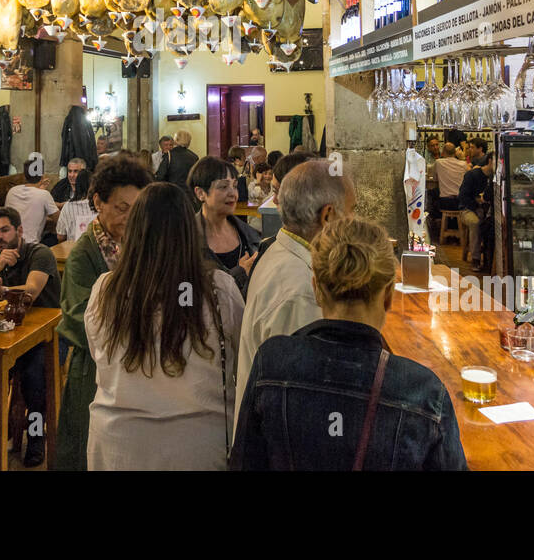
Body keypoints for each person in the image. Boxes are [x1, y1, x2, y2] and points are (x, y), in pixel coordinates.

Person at [230, 216, 466, 470]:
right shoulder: (424, 391)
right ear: (388, 295)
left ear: (316, 289)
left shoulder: (271, 362)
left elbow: (244, 462)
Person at [85, 183, 244, 470]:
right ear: (189, 232)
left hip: (118, 442)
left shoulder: (104, 290)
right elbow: (243, 362)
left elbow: (99, 353)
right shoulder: (219, 289)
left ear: (133, 232)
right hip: (196, 444)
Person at [235, 158, 355, 428]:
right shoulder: (301, 290)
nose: (354, 221)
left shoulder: (280, 251)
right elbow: (299, 403)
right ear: (328, 216)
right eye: (352, 211)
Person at [56, 154, 152, 471]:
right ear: (98, 201)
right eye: (121, 208)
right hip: (95, 370)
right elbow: (78, 317)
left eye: (136, 210)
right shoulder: (84, 254)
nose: (129, 217)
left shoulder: (138, 243)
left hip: (138, 364)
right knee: (88, 446)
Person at [0, 207, 60, 466]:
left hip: (46, 336)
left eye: (5, 230)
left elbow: (30, 292)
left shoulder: (40, 253)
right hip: (7, 335)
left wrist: (1, 289)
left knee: (33, 378)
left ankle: (37, 437)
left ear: (19, 230)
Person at [190, 156, 261, 299]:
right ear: (200, 193)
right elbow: (186, 297)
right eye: (223, 187)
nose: (232, 194)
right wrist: (239, 273)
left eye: (234, 186)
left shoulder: (250, 236)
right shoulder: (186, 240)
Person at [4, 170, 60, 246]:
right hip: (31, 246)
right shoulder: (44, 194)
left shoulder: (12, 191)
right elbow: (60, 220)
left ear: (24, 176)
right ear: (42, 177)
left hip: (9, 243)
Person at [458, 153, 493, 266]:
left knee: (493, 225)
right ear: (490, 161)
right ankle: (475, 258)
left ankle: (490, 259)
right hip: (468, 209)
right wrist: (477, 207)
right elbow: (463, 197)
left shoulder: (495, 178)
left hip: (488, 210)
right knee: (475, 222)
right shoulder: (472, 175)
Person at [55, 170, 96, 243]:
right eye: (70, 171)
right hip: (96, 249)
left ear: (77, 185)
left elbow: (60, 236)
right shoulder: (99, 205)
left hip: (72, 249)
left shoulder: (67, 206)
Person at [435, 143, 469, 212]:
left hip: (445, 202)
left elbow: (434, 177)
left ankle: (437, 219)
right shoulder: (463, 164)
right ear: (455, 152)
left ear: (443, 152)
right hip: (460, 202)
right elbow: (470, 173)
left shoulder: (438, 162)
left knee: (433, 193)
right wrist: (462, 158)